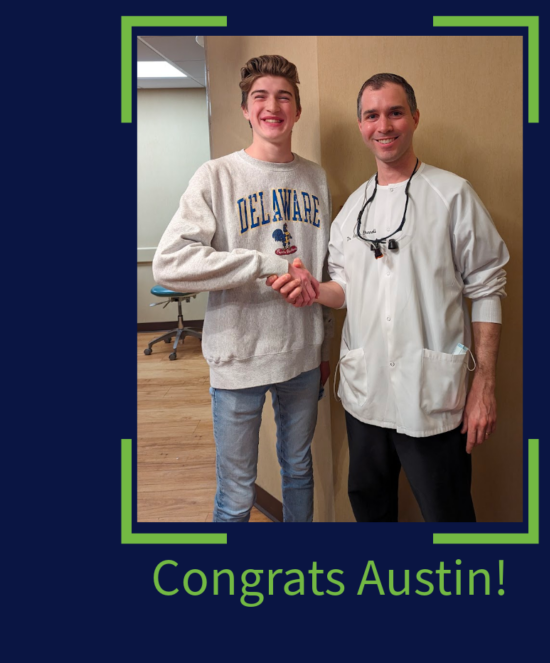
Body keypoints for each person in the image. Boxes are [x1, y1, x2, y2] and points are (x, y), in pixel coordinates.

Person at [268, 73, 508, 522]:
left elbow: (487, 288)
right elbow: (344, 289)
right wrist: (314, 290)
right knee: (371, 510)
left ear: (414, 117)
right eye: (372, 115)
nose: (384, 125)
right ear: (361, 125)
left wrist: (485, 385)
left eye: (395, 112)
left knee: (449, 515)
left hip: (431, 393)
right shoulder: (351, 211)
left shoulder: (452, 195)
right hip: (366, 394)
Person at [153, 55, 332, 523]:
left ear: (297, 110)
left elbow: (322, 267)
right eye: (260, 97)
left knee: (299, 471)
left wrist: (324, 344)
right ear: (245, 109)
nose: (272, 106)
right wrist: (262, 264)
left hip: (303, 356)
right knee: (235, 495)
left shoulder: (316, 177)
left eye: (284, 97)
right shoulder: (216, 176)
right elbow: (169, 262)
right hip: (238, 357)